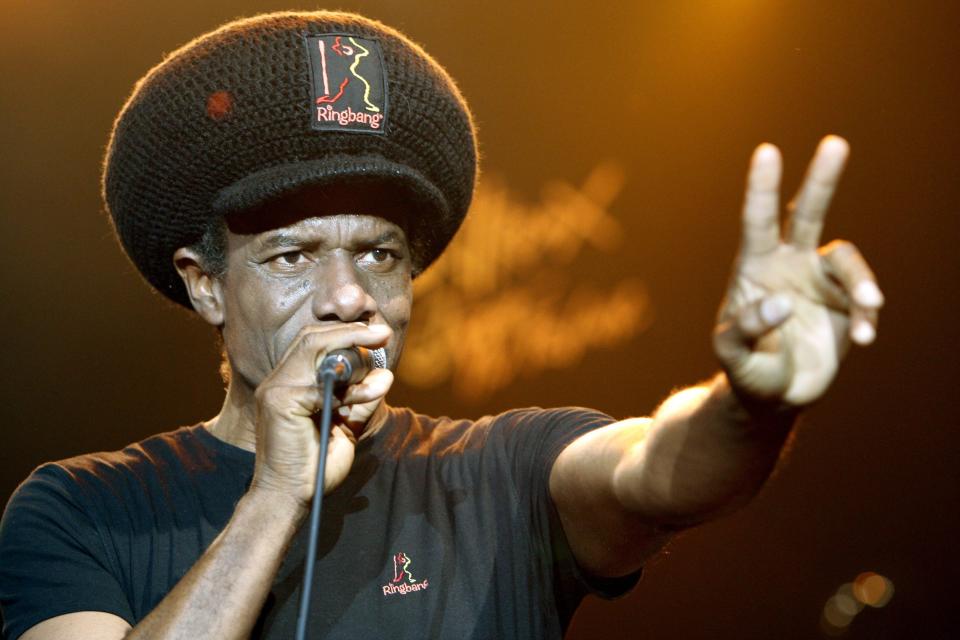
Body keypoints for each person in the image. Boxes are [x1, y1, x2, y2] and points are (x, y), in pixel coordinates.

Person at [0, 10, 883, 640]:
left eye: (380, 254)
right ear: (205, 288)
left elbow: (658, 473)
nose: (351, 298)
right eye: (292, 257)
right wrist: (274, 497)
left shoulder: (501, 473)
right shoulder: (82, 510)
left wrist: (750, 404)